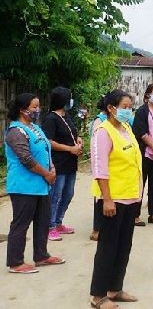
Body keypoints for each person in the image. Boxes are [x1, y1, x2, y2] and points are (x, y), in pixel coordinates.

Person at [89, 90, 140, 307]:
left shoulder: (126, 128)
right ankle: (98, 295)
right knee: (108, 247)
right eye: (124, 107)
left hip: (130, 196)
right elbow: (100, 168)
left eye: (130, 107)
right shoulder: (103, 132)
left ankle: (115, 288)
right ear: (111, 108)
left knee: (123, 246)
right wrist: (107, 199)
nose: (128, 111)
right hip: (113, 198)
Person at [5, 93, 65, 274]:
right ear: (22, 110)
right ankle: (15, 262)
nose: (38, 110)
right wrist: (46, 174)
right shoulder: (16, 131)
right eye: (34, 107)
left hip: (41, 185)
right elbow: (26, 158)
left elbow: (45, 149)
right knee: (21, 224)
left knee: (42, 221)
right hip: (24, 186)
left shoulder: (35, 128)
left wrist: (52, 168)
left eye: (38, 106)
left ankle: (41, 255)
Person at [42, 86, 82, 241]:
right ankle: (49, 226)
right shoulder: (51, 119)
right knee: (55, 195)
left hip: (71, 163)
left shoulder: (66, 116)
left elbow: (71, 133)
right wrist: (70, 149)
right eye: (69, 97)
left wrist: (78, 141)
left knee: (68, 194)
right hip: (58, 162)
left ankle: (58, 221)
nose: (71, 101)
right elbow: (49, 142)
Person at [132, 83, 153, 226]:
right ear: (148, 95)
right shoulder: (142, 111)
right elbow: (141, 132)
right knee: (140, 183)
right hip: (145, 151)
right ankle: (135, 215)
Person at [90, 94, 111, 242]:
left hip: (112, 167)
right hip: (101, 165)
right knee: (100, 198)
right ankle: (96, 229)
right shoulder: (99, 122)